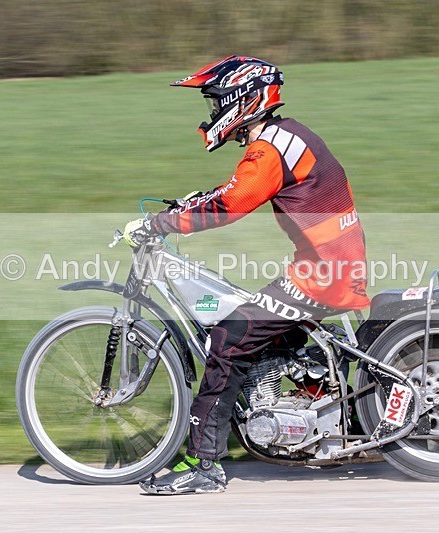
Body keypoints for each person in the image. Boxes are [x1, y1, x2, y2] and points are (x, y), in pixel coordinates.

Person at [123, 56, 370, 495]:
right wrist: (187, 203)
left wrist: (163, 222)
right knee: (262, 332)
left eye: (216, 101)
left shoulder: (269, 147)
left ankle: (204, 467)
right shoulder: (284, 134)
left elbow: (233, 202)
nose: (212, 113)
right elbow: (235, 188)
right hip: (328, 262)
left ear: (243, 97)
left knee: (228, 340)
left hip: (323, 272)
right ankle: (307, 402)